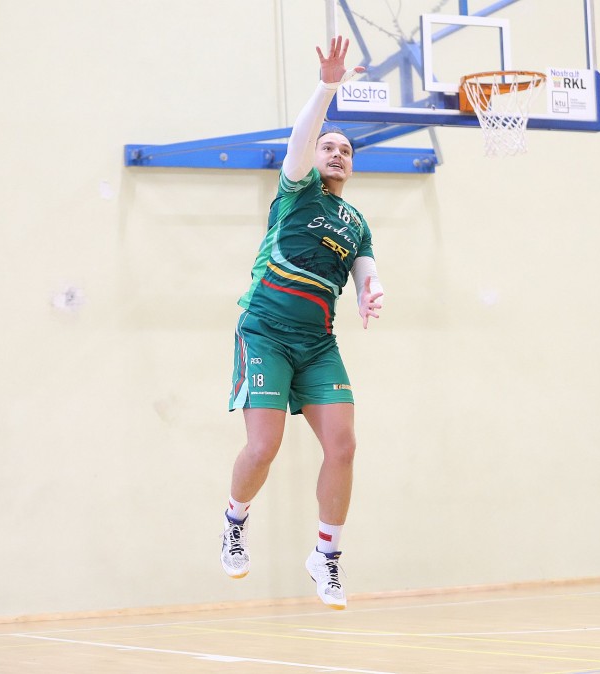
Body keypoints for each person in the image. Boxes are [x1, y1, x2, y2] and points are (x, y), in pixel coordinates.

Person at [220, 36, 383, 611]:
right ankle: (234, 521)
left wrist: (372, 292)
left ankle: (326, 556)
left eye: (345, 150)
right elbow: (300, 137)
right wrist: (328, 86)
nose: (336, 153)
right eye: (328, 146)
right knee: (263, 447)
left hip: (317, 345)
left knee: (343, 446)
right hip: (265, 330)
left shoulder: (356, 221)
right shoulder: (297, 190)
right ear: (313, 157)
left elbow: (366, 272)